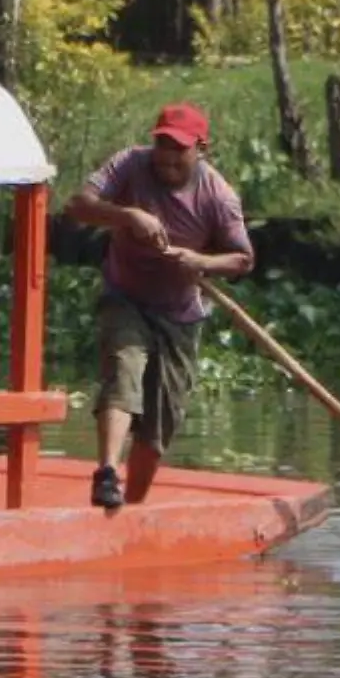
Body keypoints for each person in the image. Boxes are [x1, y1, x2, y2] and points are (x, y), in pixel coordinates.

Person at [65, 103, 254, 510]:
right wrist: (127, 215)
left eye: (178, 149)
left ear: (201, 149)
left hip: (178, 313)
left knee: (158, 425)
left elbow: (243, 259)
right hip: (126, 295)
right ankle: (107, 474)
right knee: (123, 370)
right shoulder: (130, 164)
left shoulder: (218, 196)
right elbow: (78, 205)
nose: (167, 157)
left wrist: (201, 262)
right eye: (162, 145)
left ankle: (129, 510)